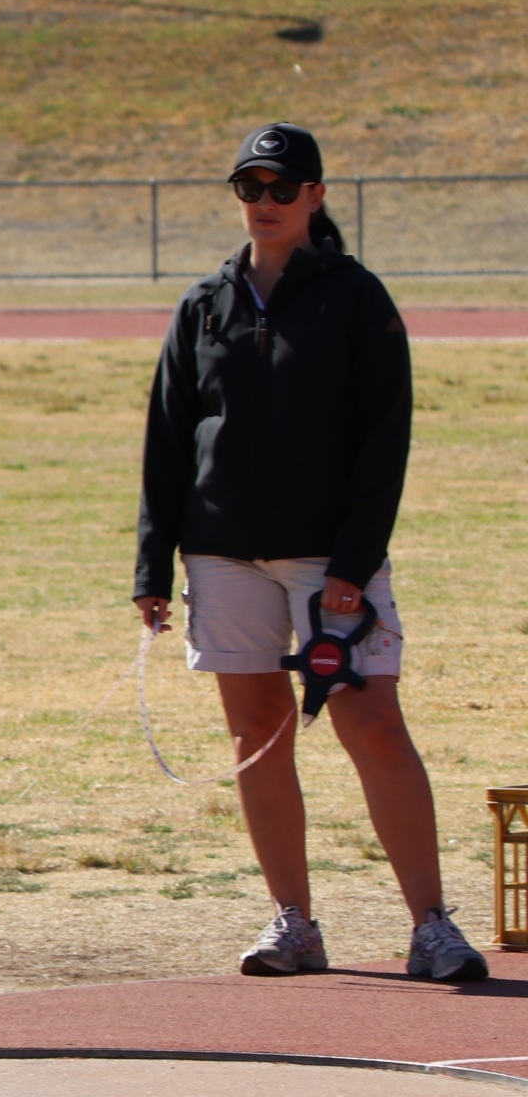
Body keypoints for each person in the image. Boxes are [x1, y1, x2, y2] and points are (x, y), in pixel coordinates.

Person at [133, 122, 486, 982]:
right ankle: (294, 921)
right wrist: (154, 566)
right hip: (222, 554)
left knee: (373, 726)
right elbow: (169, 438)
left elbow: (383, 441)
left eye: (281, 189)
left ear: (315, 197)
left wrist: (352, 568)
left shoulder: (356, 298)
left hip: (330, 560)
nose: (264, 204)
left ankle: (432, 924)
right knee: (258, 734)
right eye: (249, 189)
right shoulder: (204, 303)